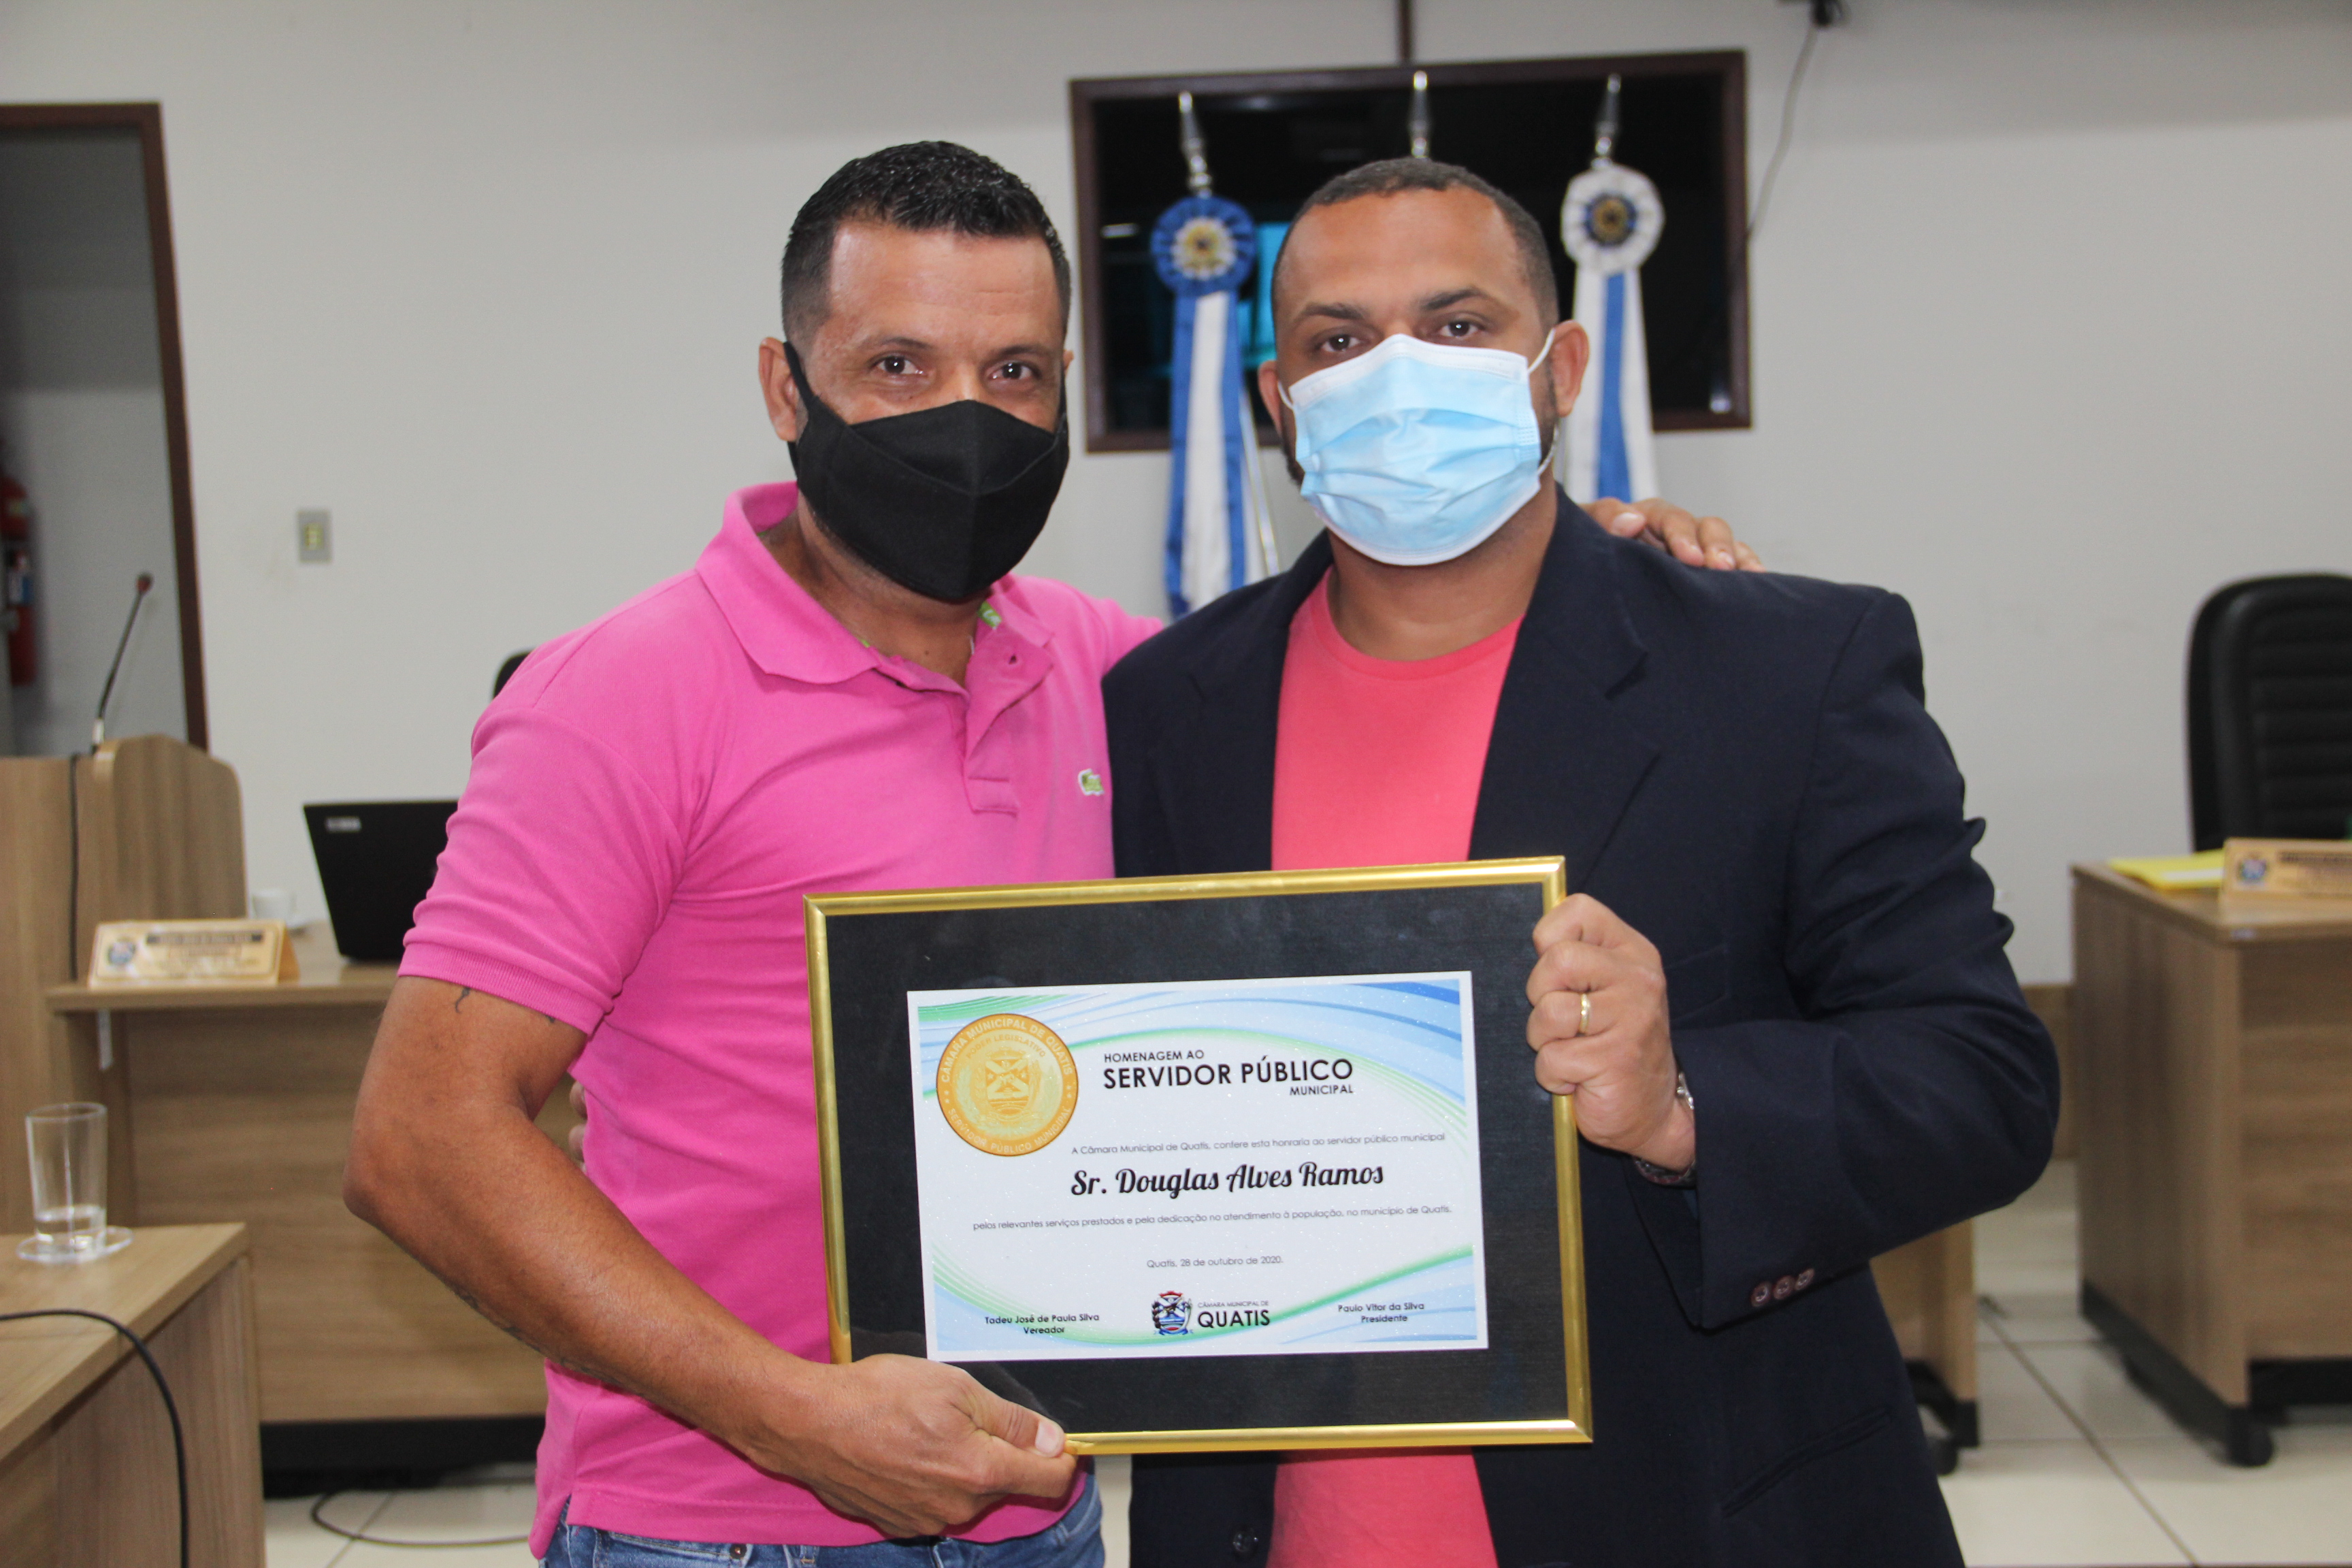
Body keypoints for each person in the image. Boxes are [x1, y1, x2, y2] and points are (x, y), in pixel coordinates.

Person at [343, 142, 1752, 1567]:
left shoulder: (1110, 673)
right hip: (727, 1527)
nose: (964, 417)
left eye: (1014, 371)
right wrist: (789, 1418)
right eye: (898, 366)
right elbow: (421, 1140)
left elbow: (1371, 674)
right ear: (786, 387)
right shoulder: (623, 692)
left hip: (1037, 1503)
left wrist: (1590, 563)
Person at [1105, 159, 2059, 1568]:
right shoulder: (1169, 706)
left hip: (1700, 1514)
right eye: (1338, 340)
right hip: (1285, 1529)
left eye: (1458, 325)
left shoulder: (1784, 669)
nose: (1397, 373)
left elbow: (1983, 1080)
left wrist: (1683, 1106)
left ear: (1560, 368)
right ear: (1279, 403)